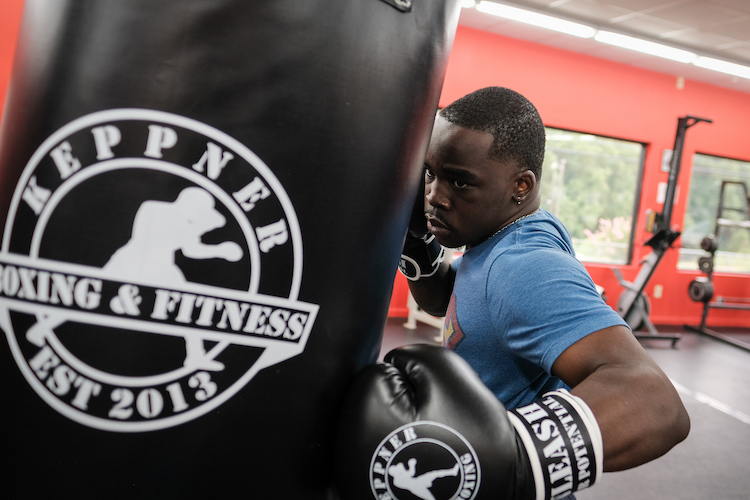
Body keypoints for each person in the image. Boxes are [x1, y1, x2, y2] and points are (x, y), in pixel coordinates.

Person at [399, 87, 689, 491]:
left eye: (460, 183)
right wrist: (415, 242)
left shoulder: (522, 266)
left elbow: (655, 404)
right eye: (431, 173)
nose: (433, 195)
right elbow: (452, 301)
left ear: (521, 185)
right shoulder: (497, 237)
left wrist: (498, 461)